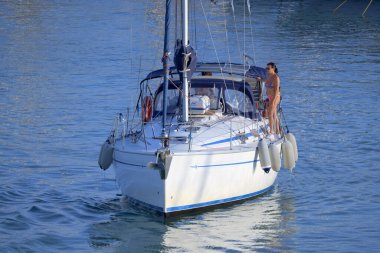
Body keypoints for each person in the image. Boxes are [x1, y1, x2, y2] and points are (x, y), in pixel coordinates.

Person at [265, 62, 281, 136]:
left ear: (273, 68)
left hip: (275, 97)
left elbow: (277, 90)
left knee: (270, 113)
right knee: (274, 113)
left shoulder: (276, 78)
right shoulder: (269, 76)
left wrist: (273, 101)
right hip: (269, 97)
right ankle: (277, 130)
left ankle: (271, 131)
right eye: (266, 68)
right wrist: (260, 80)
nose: (267, 70)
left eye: (268, 68)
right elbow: (266, 82)